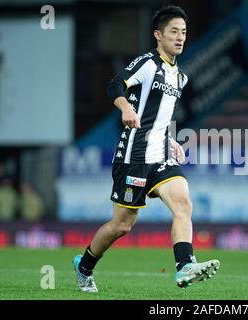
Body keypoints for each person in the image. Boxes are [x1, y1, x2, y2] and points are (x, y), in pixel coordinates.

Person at [73, 5, 220, 293]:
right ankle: (85, 266)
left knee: (183, 203)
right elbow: (116, 84)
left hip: (160, 153)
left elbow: (159, 116)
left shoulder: (180, 77)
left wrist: (169, 140)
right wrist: (125, 106)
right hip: (134, 154)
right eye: (174, 32)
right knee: (122, 225)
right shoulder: (148, 64)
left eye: (184, 32)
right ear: (158, 35)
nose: (180, 37)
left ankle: (184, 266)